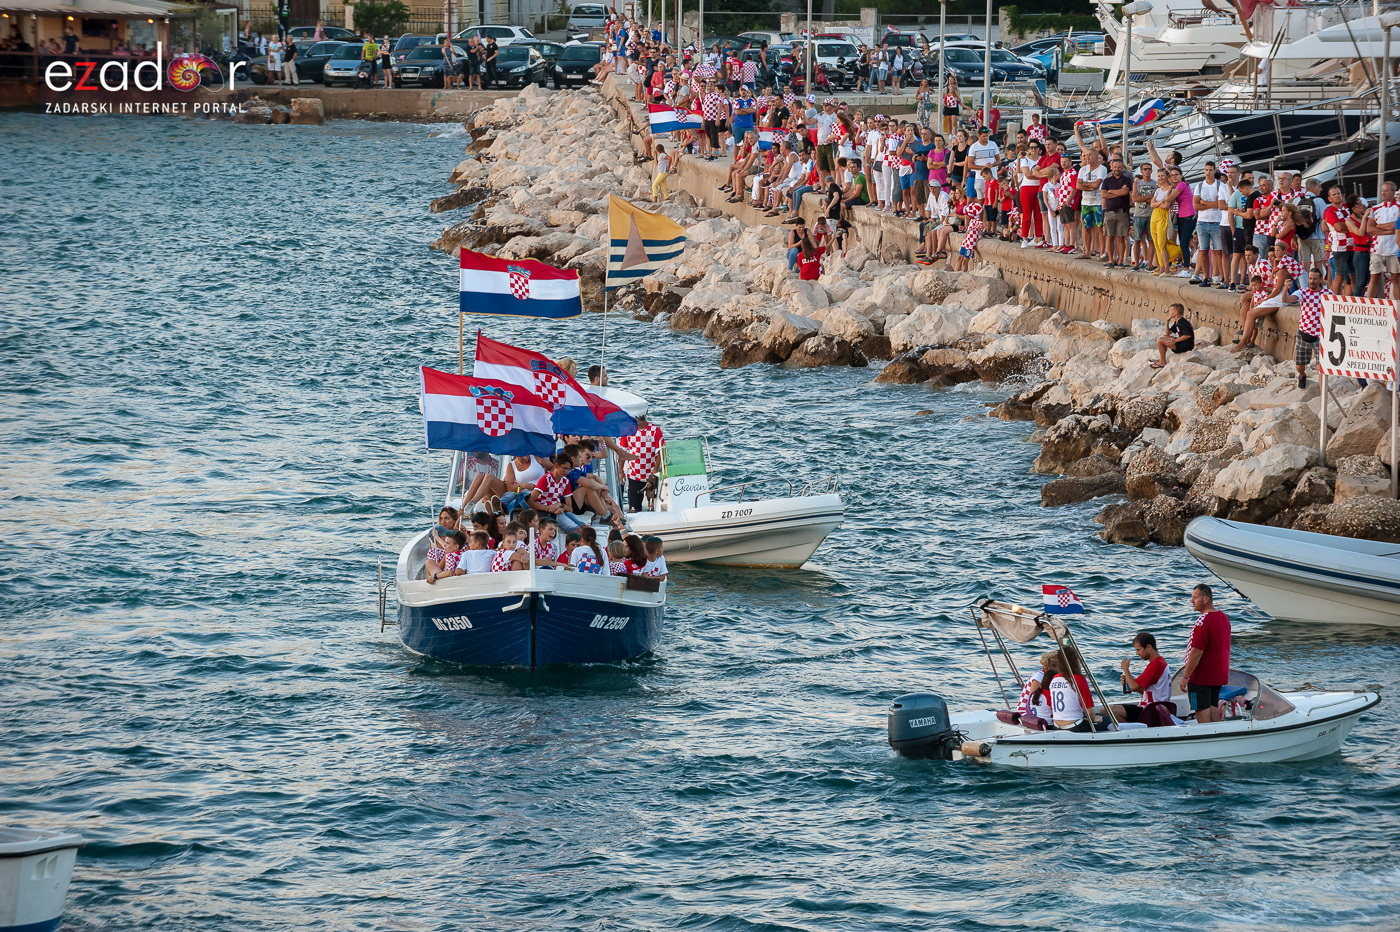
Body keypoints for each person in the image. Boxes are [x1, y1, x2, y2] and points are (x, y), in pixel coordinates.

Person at [1181, 584, 1231, 724]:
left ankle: (1208, 738)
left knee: (1201, 710)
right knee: (1213, 707)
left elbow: (1196, 652)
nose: (1192, 601)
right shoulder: (1223, 617)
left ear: (1206, 599)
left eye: (1195, 597)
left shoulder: (1203, 621)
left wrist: (1186, 676)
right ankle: (1219, 736)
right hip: (1217, 675)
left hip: (1200, 678)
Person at [1109, 630, 1174, 723]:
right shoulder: (1161, 662)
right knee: (1109, 711)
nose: (1137, 653)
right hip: (1153, 707)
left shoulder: (1156, 664)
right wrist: (1129, 680)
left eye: (1138, 649)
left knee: (1111, 710)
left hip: (1150, 709)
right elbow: (1146, 690)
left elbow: (1134, 687)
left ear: (1148, 647)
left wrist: (1126, 670)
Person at [1294, 267, 1332, 389]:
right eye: (1310, 278)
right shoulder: (1303, 292)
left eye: (1315, 279)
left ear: (1320, 280)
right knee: (1299, 366)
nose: (1312, 281)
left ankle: (1322, 395)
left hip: (1320, 335)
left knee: (1321, 367)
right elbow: (1287, 299)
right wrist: (1285, 290)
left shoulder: (1328, 294)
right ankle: (1302, 375)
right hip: (1304, 333)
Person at [619, 412, 664, 512]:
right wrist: (621, 471)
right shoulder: (627, 430)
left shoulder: (655, 430)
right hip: (634, 473)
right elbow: (622, 451)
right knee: (634, 507)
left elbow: (660, 451)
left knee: (654, 505)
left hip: (651, 474)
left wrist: (655, 470)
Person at [1365, 180, 1399, 300]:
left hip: (1394, 249)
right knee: (1374, 278)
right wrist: (1388, 230)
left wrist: (1379, 225)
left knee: (1395, 278)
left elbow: (1396, 225)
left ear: (1393, 191)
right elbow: (1369, 228)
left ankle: (1397, 308)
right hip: (1377, 249)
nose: (1383, 193)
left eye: (1386, 191)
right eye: (1382, 191)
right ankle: (1369, 305)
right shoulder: (1375, 208)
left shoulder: (1399, 207)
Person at [1152, 302, 1195, 368]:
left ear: (1176, 312)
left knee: (1160, 340)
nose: (1169, 312)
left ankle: (1163, 362)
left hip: (1186, 346)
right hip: (1183, 343)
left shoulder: (1181, 323)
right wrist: (1167, 322)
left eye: (1171, 310)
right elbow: (1167, 333)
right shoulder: (1177, 321)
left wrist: (1175, 341)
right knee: (1164, 337)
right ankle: (1161, 359)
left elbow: (1188, 335)